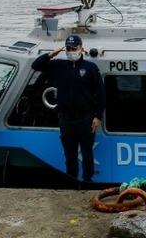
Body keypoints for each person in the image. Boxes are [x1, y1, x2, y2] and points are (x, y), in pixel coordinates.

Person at [31, 35, 104, 185]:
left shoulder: (91, 68)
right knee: (70, 154)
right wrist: (51, 54)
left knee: (87, 152)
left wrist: (98, 117)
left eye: (74, 48)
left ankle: (87, 181)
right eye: (69, 48)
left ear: (81, 48)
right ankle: (71, 181)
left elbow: (100, 94)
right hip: (66, 119)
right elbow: (36, 65)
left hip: (86, 118)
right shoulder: (58, 65)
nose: (71, 51)